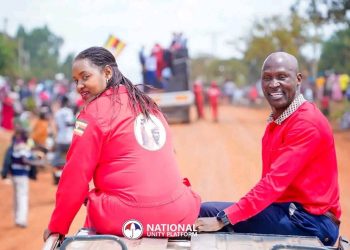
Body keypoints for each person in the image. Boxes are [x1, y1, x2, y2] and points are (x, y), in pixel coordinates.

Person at [43, 47, 201, 241]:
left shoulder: (93, 113)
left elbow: (75, 175)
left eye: (85, 77)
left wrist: (57, 226)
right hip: (178, 215)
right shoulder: (147, 104)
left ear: (107, 72)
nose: (79, 86)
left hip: (128, 219)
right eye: (76, 80)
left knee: (94, 202)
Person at [196, 52, 341, 246]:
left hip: (311, 222)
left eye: (282, 77)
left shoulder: (306, 123)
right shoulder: (279, 120)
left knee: (209, 214)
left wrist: (225, 218)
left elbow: (273, 183)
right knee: (207, 211)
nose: (273, 84)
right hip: (288, 211)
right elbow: (270, 183)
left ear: (298, 80)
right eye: (267, 78)